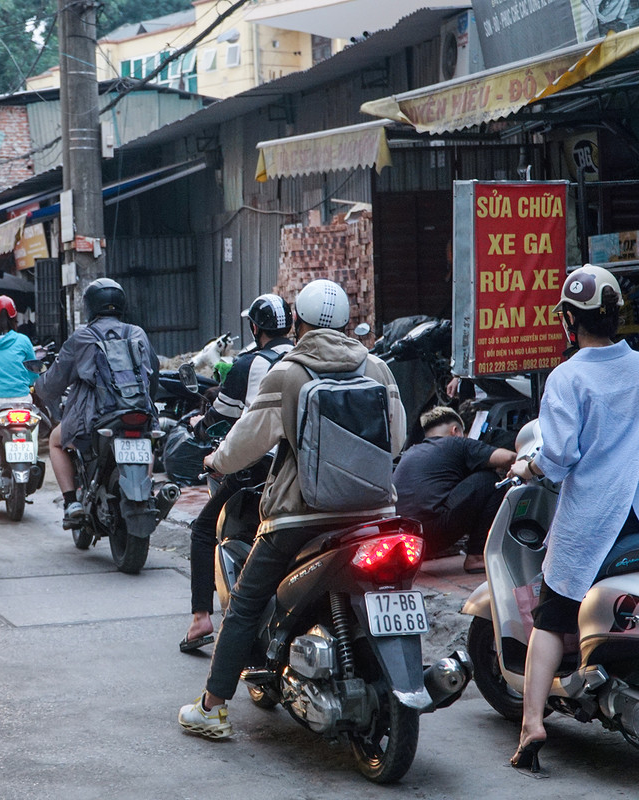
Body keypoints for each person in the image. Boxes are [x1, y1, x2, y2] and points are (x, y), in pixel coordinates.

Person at [177, 279, 405, 740]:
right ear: (346, 323)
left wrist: (214, 461)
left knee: (244, 603)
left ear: (297, 323)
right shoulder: (377, 367)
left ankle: (214, 707)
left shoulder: (288, 373)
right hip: (375, 515)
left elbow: (245, 444)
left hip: (300, 518)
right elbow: (397, 441)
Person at [506, 265, 639, 773]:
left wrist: (530, 465)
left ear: (570, 321)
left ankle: (532, 723)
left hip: (593, 523)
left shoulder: (568, 377)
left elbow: (558, 457)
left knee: (550, 616)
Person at [181, 294, 294, 653]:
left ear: (255, 328)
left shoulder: (248, 364)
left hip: (260, 470)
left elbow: (223, 419)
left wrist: (200, 426)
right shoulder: (306, 359)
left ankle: (201, 618)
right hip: (306, 471)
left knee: (201, 530)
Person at [34, 278, 159, 526]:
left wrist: (40, 389)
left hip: (96, 416)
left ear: (90, 306)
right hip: (139, 410)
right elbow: (152, 373)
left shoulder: (83, 337)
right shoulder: (137, 333)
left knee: (56, 441)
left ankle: (71, 502)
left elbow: (54, 381)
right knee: (148, 438)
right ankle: (148, 492)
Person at [393, 406, 516, 574]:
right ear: (456, 430)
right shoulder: (456, 442)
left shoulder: (410, 452)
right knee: (489, 480)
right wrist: (532, 462)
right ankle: (476, 556)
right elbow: (508, 458)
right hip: (434, 531)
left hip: (406, 538)